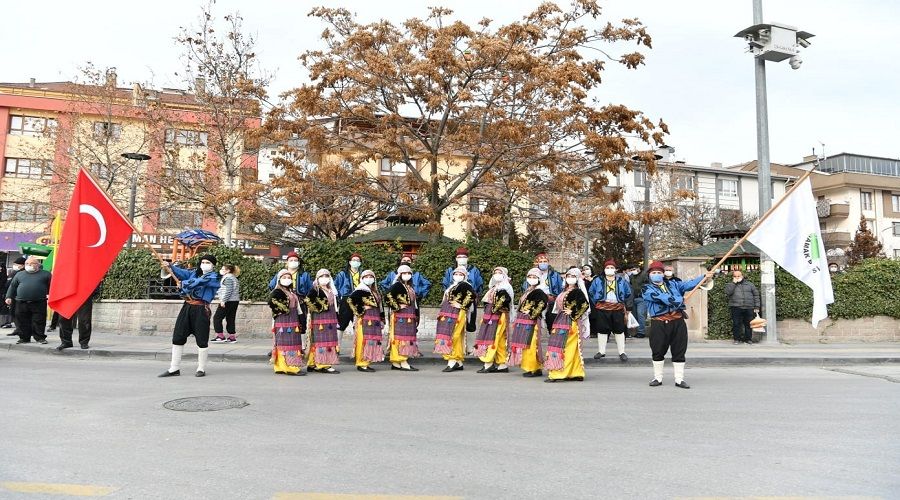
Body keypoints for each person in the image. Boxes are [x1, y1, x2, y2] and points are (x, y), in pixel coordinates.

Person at [642, 261, 714, 389]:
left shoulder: (674, 284)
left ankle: (679, 379)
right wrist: (679, 301)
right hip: (659, 322)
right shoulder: (647, 289)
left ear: (663, 274)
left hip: (677, 321)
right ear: (649, 275)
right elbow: (661, 297)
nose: (657, 275)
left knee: (679, 350)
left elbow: (689, 284)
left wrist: (704, 277)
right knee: (658, 350)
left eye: (659, 272)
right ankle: (657, 378)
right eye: (654, 273)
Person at [158, 255, 221, 378]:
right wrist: (170, 266)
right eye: (202, 262)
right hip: (187, 306)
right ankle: (174, 368)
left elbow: (200, 282)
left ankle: (201, 368)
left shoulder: (215, 276)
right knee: (178, 336)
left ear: (213, 265)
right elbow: (182, 272)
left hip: (201, 308)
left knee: (202, 339)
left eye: (207, 262)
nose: (204, 264)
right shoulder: (193, 273)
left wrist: (183, 284)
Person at [544, 267, 590, 383]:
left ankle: (559, 373)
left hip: (571, 322)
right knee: (562, 346)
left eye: (573, 276)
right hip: (560, 320)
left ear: (578, 278)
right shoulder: (564, 291)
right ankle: (575, 372)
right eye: (568, 276)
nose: (570, 278)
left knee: (567, 347)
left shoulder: (577, 292)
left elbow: (585, 305)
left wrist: (573, 312)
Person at [588, 259, 632, 362]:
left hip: (617, 308)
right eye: (607, 268)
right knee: (602, 329)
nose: (609, 269)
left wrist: (622, 302)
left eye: (612, 268)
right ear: (604, 269)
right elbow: (591, 292)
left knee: (619, 330)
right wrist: (598, 302)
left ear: (615, 269)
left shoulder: (621, 281)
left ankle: (622, 352)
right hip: (602, 308)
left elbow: (628, 292)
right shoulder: (598, 280)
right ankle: (601, 351)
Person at [509, 268, 548, 378]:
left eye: (534, 277)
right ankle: (531, 367)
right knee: (526, 344)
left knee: (532, 344)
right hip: (523, 320)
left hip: (532, 321)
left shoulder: (540, 291)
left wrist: (531, 313)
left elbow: (542, 305)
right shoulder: (528, 290)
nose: (531, 279)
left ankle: (535, 368)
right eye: (530, 277)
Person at [473, 267, 514, 374]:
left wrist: (494, 309)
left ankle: (488, 363)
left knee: (492, 337)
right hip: (491, 314)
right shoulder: (495, 287)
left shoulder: (505, 287)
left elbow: (505, 301)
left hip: (499, 315)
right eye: (495, 273)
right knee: (499, 339)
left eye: (499, 273)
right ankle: (502, 364)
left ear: (504, 274)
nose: (497, 275)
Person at [435, 266, 476, 372]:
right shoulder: (453, 286)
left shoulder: (465, 285)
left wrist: (462, 306)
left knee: (454, 335)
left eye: (460, 274)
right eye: (456, 274)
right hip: (448, 313)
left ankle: (452, 361)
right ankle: (458, 362)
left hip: (457, 313)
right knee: (451, 335)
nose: (457, 276)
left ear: (465, 276)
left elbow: (472, 295)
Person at [267, 269, 306, 376]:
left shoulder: (291, 292)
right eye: (284, 277)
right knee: (285, 343)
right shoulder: (277, 292)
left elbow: (298, 307)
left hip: (293, 320)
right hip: (282, 321)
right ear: (279, 279)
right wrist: (284, 309)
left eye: (288, 277)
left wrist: (301, 318)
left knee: (292, 342)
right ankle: (289, 368)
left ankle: (281, 366)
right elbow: (272, 302)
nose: (287, 279)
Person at [4, 256, 51, 344]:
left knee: (39, 321)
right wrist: (8, 297)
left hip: (39, 302)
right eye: (27, 263)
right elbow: (13, 286)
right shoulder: (19, 274)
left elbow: (52, 286)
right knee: (22, 321)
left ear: (38, 265)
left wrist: (50, 296)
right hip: (21, 302)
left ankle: (40, 338)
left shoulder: (46, 274)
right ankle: (24, 338)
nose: (29, 265)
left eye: (32, 263)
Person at [384, 264, 421, 371]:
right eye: (404, 273)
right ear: (399, 274)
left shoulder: (409, 287)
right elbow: (387, 296)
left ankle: (396, 363)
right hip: (400, 316)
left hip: (409, 316)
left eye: (409, 273)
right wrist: (397, 306)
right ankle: (403, 361)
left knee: (403, 338)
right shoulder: (397, 285)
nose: (407, 275)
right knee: (399, 338)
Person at [346, 269, 385, 372]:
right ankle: (361, 363)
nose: (369, 279)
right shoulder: (360, 290)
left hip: (375, 319)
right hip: (364, 319)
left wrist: (382, 319)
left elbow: (380, 306)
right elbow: (350, 301)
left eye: (371, 277)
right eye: (366, 277)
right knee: (364, 340)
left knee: (372, 340)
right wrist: (362, 309)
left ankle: (367, 361)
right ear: (362, 279)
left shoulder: (375, 291)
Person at [305, 269, 341, 374]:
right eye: (321, 276)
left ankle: (312, 363)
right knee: (322, 341)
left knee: (324, 341)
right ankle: (323, 365)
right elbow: (307, 300)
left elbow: (335, 306)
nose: (324, 278)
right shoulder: (315, 289)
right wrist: (319, 308)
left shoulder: (331, 289)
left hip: (331, 319)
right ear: (317, 278)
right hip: (320, 320)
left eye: (326, 276)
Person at [441, 247, 483, 332]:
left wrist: (476, 297)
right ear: (456, 259)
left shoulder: (474, 270)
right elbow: (445, 284)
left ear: (467, 258)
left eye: (464, 257)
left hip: (469, 300)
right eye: (459, 257)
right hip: (452, 301)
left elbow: (479, 284)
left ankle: (468, 344)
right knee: (451, 323)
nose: (461, 259)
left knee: (469, 323)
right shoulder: (450, 270)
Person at [521, 252, 563, 333]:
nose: (543, 263)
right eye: (540, 262)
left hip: (550, 300)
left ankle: (552, 335)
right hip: (536, 300)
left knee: (551, 320)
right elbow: (525, 287)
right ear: (537, 263)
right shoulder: (533, 274)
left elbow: (560, 288)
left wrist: (554, 297)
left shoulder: (555, 275)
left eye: (545, 261)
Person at [724, 270, 760, 345]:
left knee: (748, 324)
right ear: (733, 277)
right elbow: (728, 292)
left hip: (749, 307)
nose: (737, 277)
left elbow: (756, 295)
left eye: (738, 276)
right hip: (736, 307)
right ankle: (736, 339)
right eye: (735, 276)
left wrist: (757, 306)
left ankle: (748, 339)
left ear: (742, 276)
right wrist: (734, 283)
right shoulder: (730, 284)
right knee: (736, 324)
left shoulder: (750, 284)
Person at [211, 264, 241, 343]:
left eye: (223, 269)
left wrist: (223, 300)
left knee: (217, 318)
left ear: (228, 271)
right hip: (234, 301)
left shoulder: (228, 278)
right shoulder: (233, 277)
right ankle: (232, 337)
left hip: (228, 301)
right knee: (230, 318)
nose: (221, 270)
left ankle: (220, 336)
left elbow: (228, 290)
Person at [335, 252, 364, 332]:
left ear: (360, 263)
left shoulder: (363, 274)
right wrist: (340, 296)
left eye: (358, 260)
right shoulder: (343, 274)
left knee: (359, 324)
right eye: (354, 260)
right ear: (350, 262)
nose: (355, 262)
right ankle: (338, 344)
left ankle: (357, 344)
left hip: (360, 300)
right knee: (342, 324)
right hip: (346, 300)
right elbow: (335, 285)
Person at [3, 257, 26, 333]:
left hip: (19, 296)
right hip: (11, 296)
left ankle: (21, 329)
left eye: (16, 264)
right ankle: (18, 329)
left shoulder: (23, 273)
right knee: (13, 313)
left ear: (22, 265)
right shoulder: (14, 272)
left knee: (19, 314)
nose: (15, 265)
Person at [629, 266, 648, 338]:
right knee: (635, 315)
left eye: (634, 269)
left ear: (638, 269)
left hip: (641, 298)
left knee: (640, 314)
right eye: (632, 269)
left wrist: (642, 292)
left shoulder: (644, 275)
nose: (633, 270)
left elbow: (647, 284)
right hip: (634, 298)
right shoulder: (631, 276)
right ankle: (635, 332)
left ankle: (641, 332)